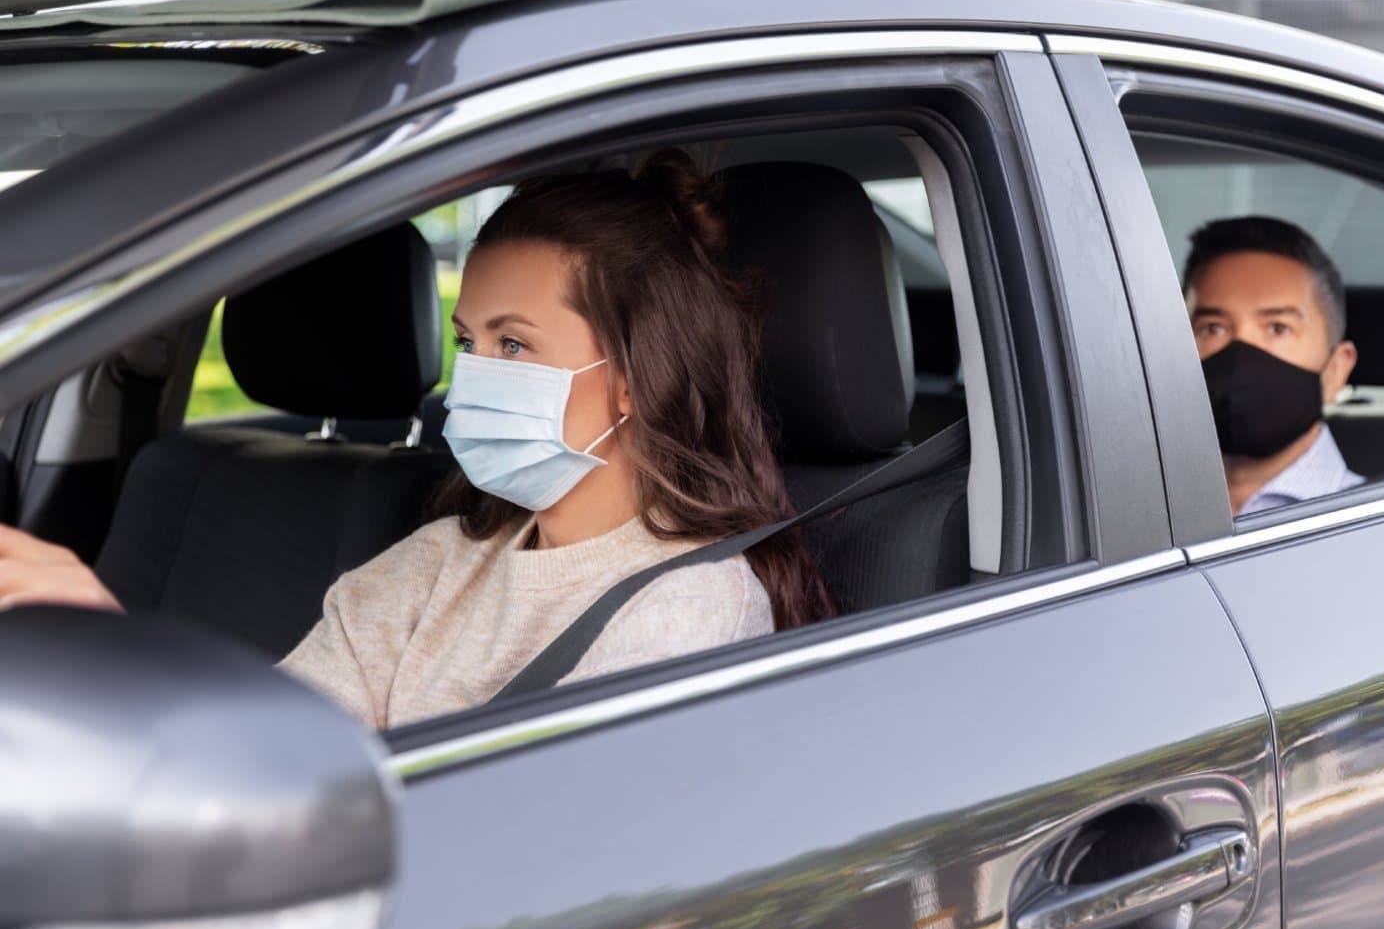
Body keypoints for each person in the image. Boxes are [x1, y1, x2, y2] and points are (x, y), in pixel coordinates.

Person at [0, 149, 833, 730]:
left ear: (635, 378)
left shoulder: (689, 608)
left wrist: (124, 661)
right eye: (468, 341)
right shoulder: (438, 560)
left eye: (515, 344)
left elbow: (540, 851)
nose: (474, 375)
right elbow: (277, 749)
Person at [1183, 215, 1364, 516]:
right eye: (1213, 328)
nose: (1241, 351)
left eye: (1278, 328)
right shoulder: (1121, 511)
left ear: (1336, 370)